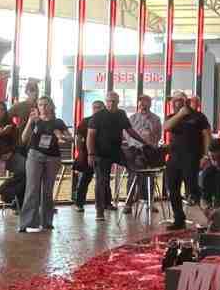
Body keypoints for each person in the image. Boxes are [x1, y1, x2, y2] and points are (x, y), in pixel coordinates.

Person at [85, 91, 147, 220]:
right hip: (100, 153)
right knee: (101, 181)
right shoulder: (98, 116)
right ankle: (99, 211)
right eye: (109, 101)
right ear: (106, 101)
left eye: (114, 101)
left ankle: (130, 202)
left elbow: (130, 131)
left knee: (134, 168)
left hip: (116, 151)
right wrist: (91, 153)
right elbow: (90, 136)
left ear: (118, 102)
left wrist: (144, 142)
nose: (111, 103)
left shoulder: (121, 114)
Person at [18, 95, 71, 232]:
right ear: (37, 107)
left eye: (46, 104)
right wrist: (30, 122)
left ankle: (46, 221)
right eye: (40, 105)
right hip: (35, 155)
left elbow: (69, 138)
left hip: (52, 157)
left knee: (47, 190)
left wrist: (61, 136)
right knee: (32, 189)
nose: (43, 107)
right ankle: (26, 223)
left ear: (52, 106)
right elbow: (24, 139)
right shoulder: (35, 121)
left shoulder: (58, 122)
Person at [162, 90, 211, 230]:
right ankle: (179, 219)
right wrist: (180, 114)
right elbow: (166, 127)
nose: (174, 103)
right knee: (172, 189)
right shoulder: (171, 117)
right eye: (173, 101)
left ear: (185, 102)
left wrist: (206, 156)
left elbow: (207, 135)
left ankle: (208, 218)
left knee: (193, 191)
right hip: (174, 158)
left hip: (192, 158)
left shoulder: (198, 117)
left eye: (177, 100)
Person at [71, 100, 104, 212]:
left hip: (102, 154)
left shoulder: (106, 121)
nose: (97, 109)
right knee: (84, 179)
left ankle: (106, 203)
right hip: (87, 154)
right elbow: (78, 137)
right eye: (95, 107)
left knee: (104, 180)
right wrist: (80, 152)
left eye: (99, 107)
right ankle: (79, 203)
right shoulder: (85, 121)